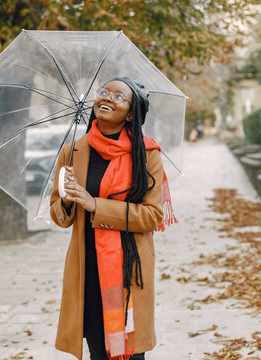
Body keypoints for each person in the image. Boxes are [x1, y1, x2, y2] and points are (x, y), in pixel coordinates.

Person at [50, 77, 175, 360]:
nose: (107, 97)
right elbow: (59, 215)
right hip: (88, 265)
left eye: (118, 96)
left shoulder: (146, 155)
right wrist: (69, 199)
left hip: (129, 267)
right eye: (104, 92)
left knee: (130, 351)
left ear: (131, 114)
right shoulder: (73, 152)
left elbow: (152, 216)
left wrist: (95, 205)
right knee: (97, 349)